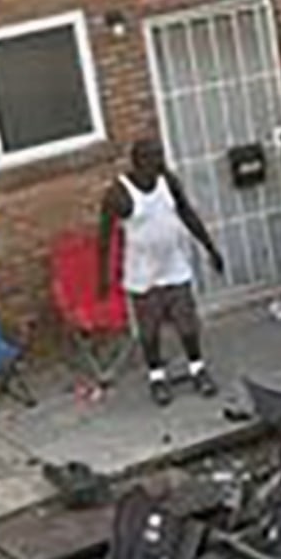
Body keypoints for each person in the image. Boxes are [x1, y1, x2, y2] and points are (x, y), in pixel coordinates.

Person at [98, 138, 226, 407]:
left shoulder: (168, 181)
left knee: (187, 323)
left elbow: (188, 214)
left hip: (174, 265)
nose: (159, 163)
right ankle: (157, 377)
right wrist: (103, 276)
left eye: (160, 157)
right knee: (149, 330)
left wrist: (210, 248)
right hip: (143, 272)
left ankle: (197, 368)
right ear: (138, 161)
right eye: (153, 159)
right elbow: (104, 237)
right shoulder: (119, 194)